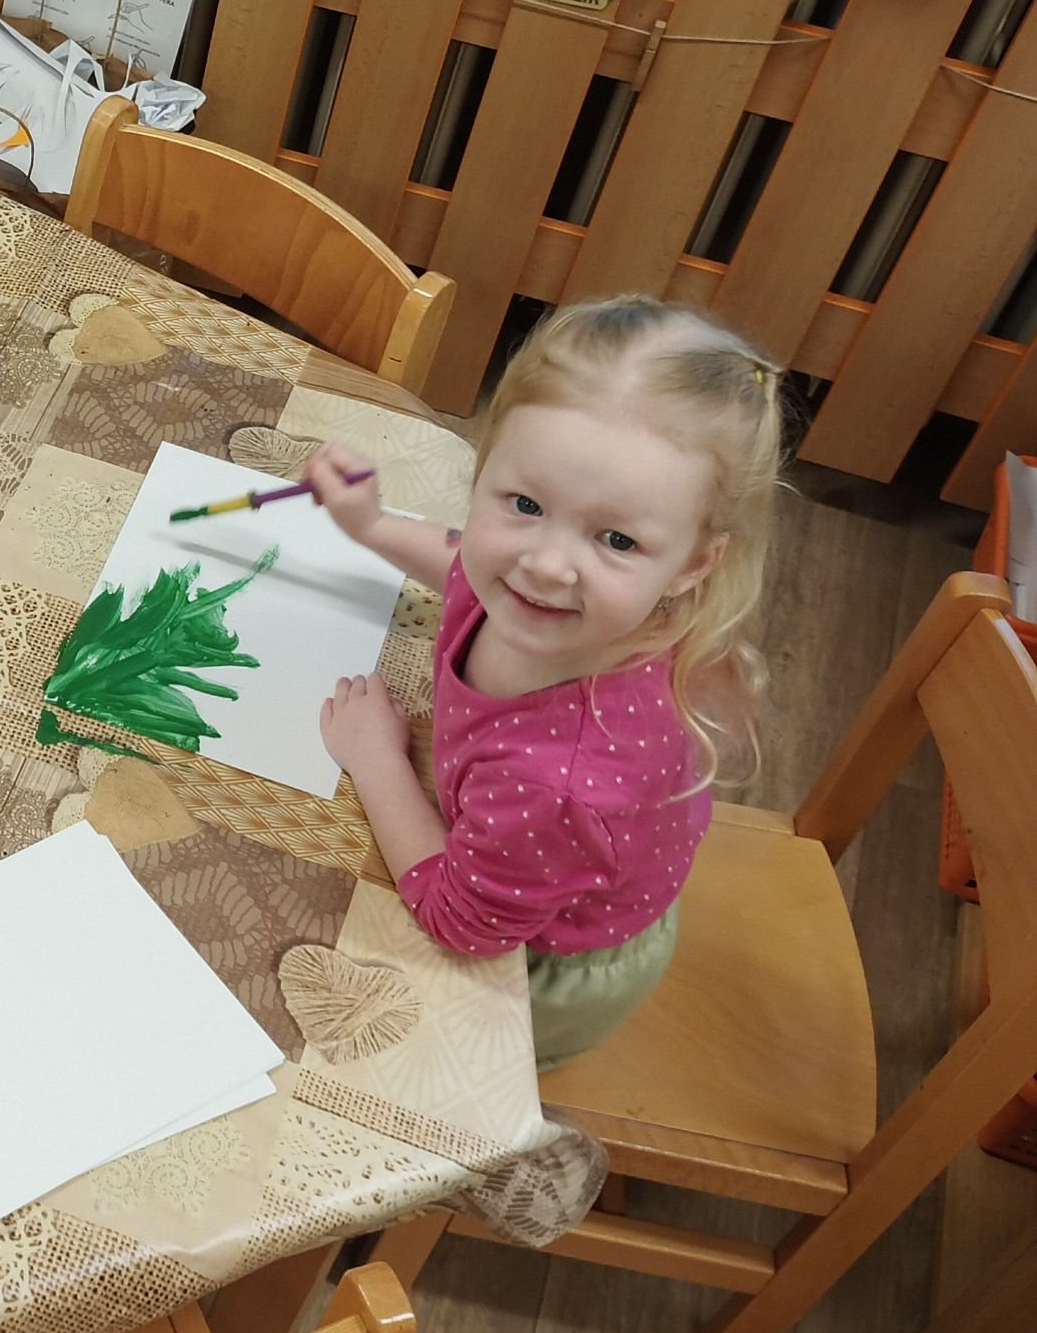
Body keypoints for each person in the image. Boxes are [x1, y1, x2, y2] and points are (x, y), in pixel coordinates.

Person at [307, 297, 782, 1069]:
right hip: (532, 859)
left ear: (694, 564)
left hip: (541, 970)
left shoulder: (561, 784)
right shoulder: (557, 600)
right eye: (525, 504)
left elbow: (460, 924)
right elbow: (464, 564)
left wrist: (376, 760)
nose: (547, 564)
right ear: (485, 467)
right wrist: (370, 526)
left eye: (616, 539)